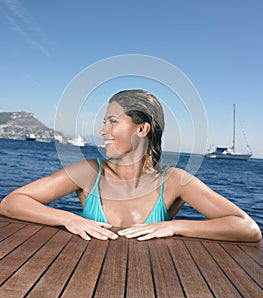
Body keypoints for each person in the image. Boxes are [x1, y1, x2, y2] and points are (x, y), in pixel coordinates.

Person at [0, 90, 261, 242]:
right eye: (104, 122)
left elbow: (247, 228)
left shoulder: (173, 181)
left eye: (112, 121)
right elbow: (11, 202)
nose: (103, 131)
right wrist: (67, 218)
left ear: (142, 128)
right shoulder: (88, 172)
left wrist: (174, 226)